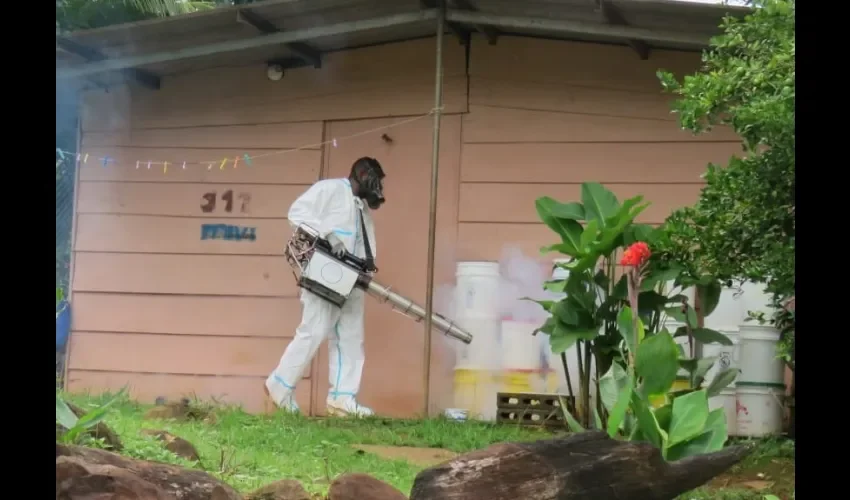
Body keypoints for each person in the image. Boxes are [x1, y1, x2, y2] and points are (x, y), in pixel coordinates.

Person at [265, 157, 386, 417]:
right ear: (363, 175)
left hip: (353, 278)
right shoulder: (330, 189)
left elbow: (366, 244)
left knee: (351, 338)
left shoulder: (362, 207)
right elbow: (296, 212)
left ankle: (342, 399)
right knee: (314, 330)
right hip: (326, 274)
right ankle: (279, 386)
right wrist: (327, 234)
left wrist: (367, 270)